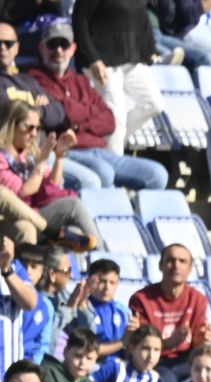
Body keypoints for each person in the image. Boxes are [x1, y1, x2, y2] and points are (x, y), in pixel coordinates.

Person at [31, 23, 167, 192]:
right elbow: (62, 113)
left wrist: (79, 125)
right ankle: (110, 215)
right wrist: (89, 111)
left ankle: (135, 214)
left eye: (64, 45)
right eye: (52, 45)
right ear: (41, 48)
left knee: (157, 174)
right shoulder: (33, 80)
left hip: (98, 151)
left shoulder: (79, 80)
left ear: (73, 49)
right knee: (104, 173)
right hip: (65, 153)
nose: (58, 51)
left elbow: (109, 121)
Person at [0, 99, 99, 250]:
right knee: (27, 228)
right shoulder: (2, 156)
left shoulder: (30, 155)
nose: (34, 134)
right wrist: (41, 162)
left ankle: (96, 261)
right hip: (7, 221)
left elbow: (51, 191)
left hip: (35, 214)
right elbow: (21, 193)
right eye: (29, 127)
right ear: (11, 125)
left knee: (73, 219)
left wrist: (59, 157)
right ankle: (27, 272)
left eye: (37, 128)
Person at [70, 0, 164, 157]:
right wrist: (93, 58)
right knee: (116, 116)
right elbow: (80, 20)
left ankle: (106, 142)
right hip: (102, 60)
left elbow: (142, 17)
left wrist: (150, 48)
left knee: (154, 104)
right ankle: (115, 167)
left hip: (133, 57)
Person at [129, 243, 211, 382]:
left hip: (187, 359)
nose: (176, 266)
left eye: (182, 261)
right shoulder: (142, 299)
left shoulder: (198, 299)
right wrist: (169, 342)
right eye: (170, 260)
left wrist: (202, 340)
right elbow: (138, 345)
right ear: (160, 265)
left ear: (190, 268)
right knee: (168, 380)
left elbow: (199, 342)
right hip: (155, 360)